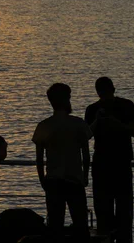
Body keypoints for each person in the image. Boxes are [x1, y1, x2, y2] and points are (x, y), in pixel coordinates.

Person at [33, 83, 92, 241]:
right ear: (66, 100)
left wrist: (42, 180)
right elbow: (86, 156)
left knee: (55, 228)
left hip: (53, 181)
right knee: (81, 227)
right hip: (74, 180)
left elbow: (39, 159)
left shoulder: (44, 126)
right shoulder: (79, 124)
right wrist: (85, 176)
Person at [85, 77, 134, 243]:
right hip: (105, 164)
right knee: (105, 212)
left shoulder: (126, 105)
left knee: (121, 212)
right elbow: (87, 134)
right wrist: (98, 121)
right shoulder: (93, 109)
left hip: (117, 163)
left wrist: (116, 123)